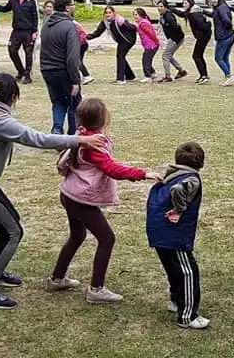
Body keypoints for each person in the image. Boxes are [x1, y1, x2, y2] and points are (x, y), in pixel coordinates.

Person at [0, 74, 103, 309]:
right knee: (12, 231)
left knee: (10, 223)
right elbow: (37, 138)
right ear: (12, 96)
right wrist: (78, 140)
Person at [50, 98, 162, 304]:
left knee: (77, 236)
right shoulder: (94, 144)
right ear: (104, 119)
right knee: (107, 238)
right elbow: (112, 169)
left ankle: (57, 278)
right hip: (80, 199)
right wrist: (143, 173)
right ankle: (96, 289)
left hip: (69, 194)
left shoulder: (81, 136)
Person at [146, 142, 208, 329]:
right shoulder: (192, 180)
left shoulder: (171, 173)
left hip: (158, 231)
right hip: (173, 234)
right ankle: (187, 315)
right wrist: (179, 210)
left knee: (173, 268)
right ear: (201, 163)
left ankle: (175, 300)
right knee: (189, 272)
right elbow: (178, 190)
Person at [39, 0, 85, 134]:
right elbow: (72, 57)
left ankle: (57, 131)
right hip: (63, 70)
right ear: (67, 8)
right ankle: (71, 137)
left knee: (58, 102)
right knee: (74, 104)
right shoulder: (70, 26)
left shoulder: (46, 25)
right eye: (72, 5)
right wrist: (75, 80)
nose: (74, 7)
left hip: (47, 70)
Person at [0, 0, 40, 83]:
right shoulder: (13, 0)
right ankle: (21, 71)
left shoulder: (32, 1)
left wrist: (35, 31)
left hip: (28, 32)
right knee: (12, 50)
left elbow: (35, 17)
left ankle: (28, 76)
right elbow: (5, 9)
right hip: (16, 31)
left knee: (28, 53)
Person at [87, 5, 138, 85]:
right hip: (121, 41)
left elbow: (132, 27)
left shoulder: (119, 20)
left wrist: (139, 28)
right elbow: (98, 32)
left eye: (110, 13)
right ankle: (130, 76)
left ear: (113, 13)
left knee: (120, 56)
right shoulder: (105, 22)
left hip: (128, 40)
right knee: (121, 56)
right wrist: (87, 37)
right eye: (106, 13)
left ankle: (120, 79)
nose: (108, 14)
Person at [207, 0, 234, 86]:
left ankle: (229, 75)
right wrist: (203, 11)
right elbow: (214, 15)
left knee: (218, 58)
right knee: (225, 58)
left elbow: (226, 21)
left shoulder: (221, 8)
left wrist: (228, 28)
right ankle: (227, 76)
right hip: (229, 36)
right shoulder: (221, 8)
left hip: (224, 37)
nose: (212, 1)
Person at [135, 8, 160, 82]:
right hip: (150, 45)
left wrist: (156, 41)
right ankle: (153, 73)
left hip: (151, 45)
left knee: (145, 60)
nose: (135, 16)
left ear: (141, 15)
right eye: (134, 15)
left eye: (136, 15)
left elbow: (151, 33)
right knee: (148, 59)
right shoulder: (142, 22)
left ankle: (148, 76)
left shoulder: (143, 23)